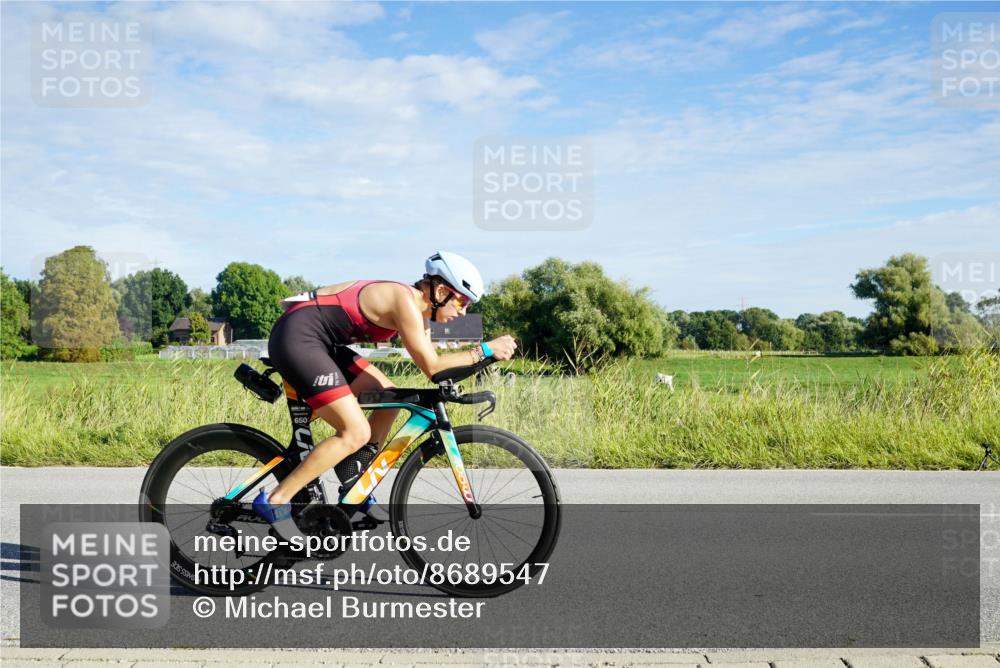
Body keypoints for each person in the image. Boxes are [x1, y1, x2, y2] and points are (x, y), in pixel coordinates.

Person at [252, 251, 517, 540]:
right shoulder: (403, 301)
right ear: (441, 291)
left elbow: (440, 372)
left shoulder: (420, 316)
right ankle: (276, 501)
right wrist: (486, 350)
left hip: (320, 342)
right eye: (462, 301)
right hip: (298, 337)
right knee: (354, 432)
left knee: (388, 397)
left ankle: (354, 478)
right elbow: (434, 367)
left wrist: (485, 360)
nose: (464, 312)